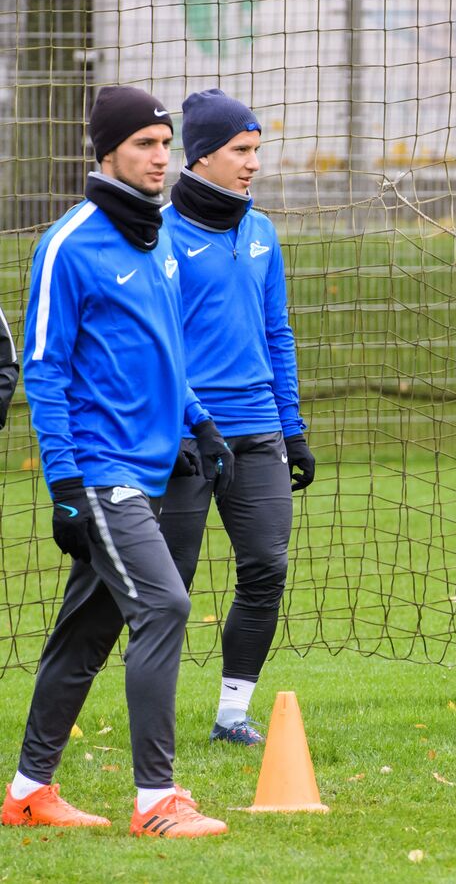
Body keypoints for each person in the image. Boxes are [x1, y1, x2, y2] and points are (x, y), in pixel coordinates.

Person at [2, 86, 233, 837]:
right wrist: (64, 482)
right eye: (144, 145)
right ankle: (155, 800)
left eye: (166, 144)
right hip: (102, 472)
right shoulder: (69, 244)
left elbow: (169, 349)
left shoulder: (157, 237)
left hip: (156, 464)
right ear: (106, 151)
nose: (160, 158)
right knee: (163, 606)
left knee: (86, 634)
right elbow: (43, 369)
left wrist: (201, 423)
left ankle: (29, 792)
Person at [159, 88, 314, 746]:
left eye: (257, 151)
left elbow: (276, 333)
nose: (253, 164)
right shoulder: (160, 236)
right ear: (200, 157)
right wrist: (175, 428)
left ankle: (232, 715)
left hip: (259, 434)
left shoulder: (261, 232)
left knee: (267, 568)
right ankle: (153, 723)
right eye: (241, 151)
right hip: (190, 439)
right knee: (170, 589)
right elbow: (155, 345)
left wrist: (293, 426)